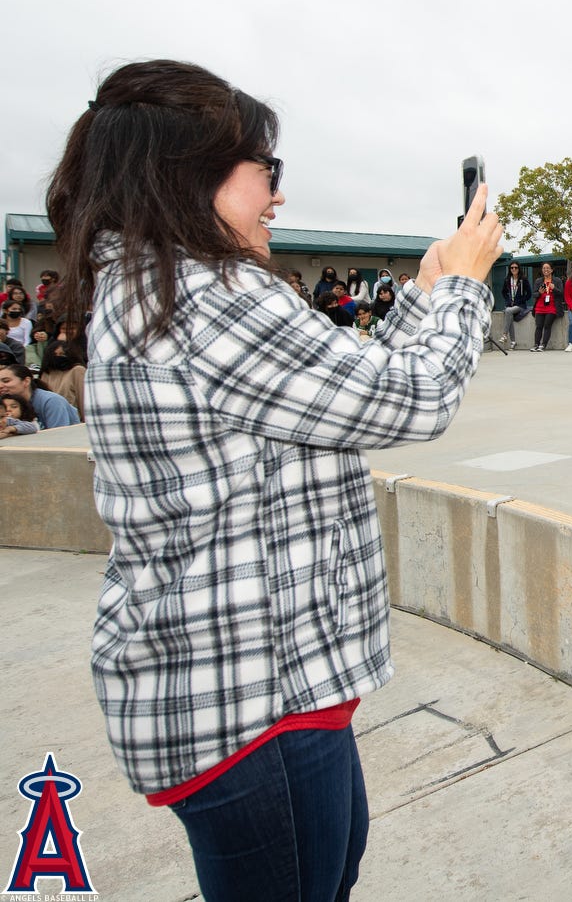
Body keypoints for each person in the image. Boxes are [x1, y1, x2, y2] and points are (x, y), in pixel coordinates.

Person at [44, 58, 502, 899]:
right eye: (267, 169)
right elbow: (415, 398)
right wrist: (468, 288)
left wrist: (425, 291)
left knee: (328, 869)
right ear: (194, 174)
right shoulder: (202, 293)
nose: (276, 195)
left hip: (250, 688)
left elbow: (337, 391)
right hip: (255, 703)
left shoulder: (157, 282)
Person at [0, 364, 79, 428]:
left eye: (6, 381)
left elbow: (59, 436)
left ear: (26, 381)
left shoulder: (52, 401)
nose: (0, 386)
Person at [40, 339, 88, 418]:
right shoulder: (47, 373)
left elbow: (83, 398)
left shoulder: (77, 370)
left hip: (73, 420)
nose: (58, 357)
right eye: (55, 354)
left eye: (62, 354)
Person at [499, 261, 532, 348]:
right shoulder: (507, 280)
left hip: (520, 306)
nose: (514, 269)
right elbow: (503, 292)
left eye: (515, 267)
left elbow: (529, 294)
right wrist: (507, 300)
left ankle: (504, 334)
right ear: (510, 269)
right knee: (509, 315)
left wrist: (521, 300)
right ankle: (513, 342)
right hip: (510, 305)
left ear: (518, 269)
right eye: (512, 267)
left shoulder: (523, 280)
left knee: (508, 311)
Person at [532, 262, 562, 351]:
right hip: (540, 306)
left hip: (552, 306)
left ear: (552, 270)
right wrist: (539, 293)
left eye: (548, 268)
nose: (546, 270)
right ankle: (536, 344)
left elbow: (561, 293)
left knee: (547, 325)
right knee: (538, 326)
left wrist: (554, 288)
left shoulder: (557, 280)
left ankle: (543, 345)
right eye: (544, 268)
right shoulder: (538, 281)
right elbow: (534, 294)